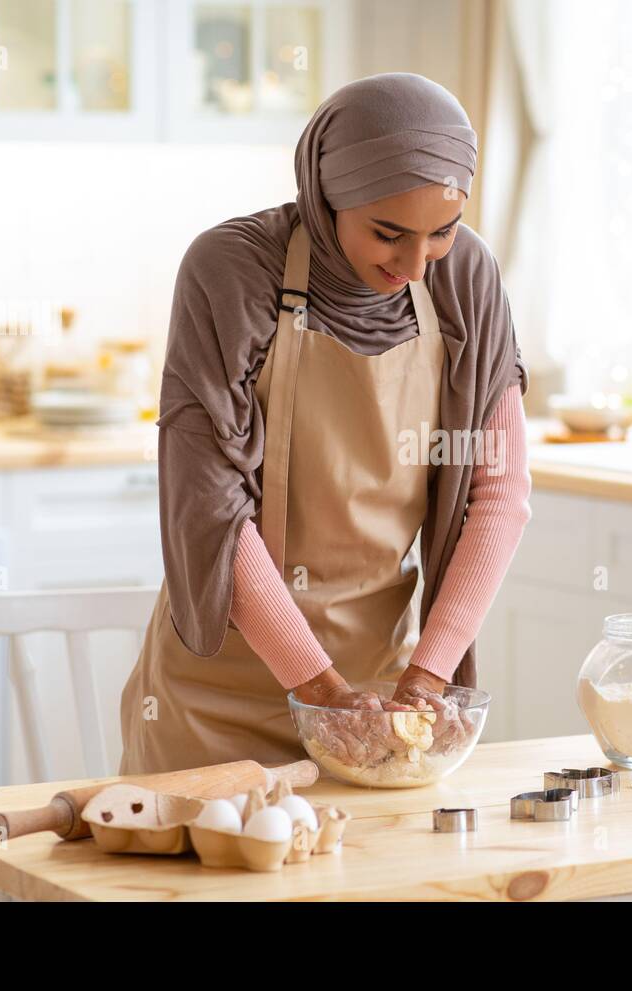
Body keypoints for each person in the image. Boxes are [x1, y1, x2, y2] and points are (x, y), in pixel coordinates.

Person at [119, 73, 530, 773]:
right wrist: (317, 687)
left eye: (441, 232)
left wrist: (426, 679)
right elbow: (211, 509)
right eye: (387, 233)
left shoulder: (465, 277)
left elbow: (500, 493)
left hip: (382, 691)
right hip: (219, 699)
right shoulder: (233, 268)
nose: (411, 264)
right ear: (325, 193)